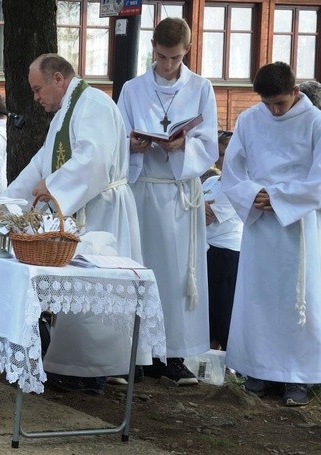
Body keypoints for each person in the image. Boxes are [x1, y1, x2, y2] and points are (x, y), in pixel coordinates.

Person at [4, 53, 143, 394]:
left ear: (58, 80)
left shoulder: (92, 104)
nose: (36, 98)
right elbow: (42, 163)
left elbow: (93, 159)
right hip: (86, 208)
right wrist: (5, 203)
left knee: (97, 292)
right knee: (81, 296)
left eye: (38, 89)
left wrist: (54, 187)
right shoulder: (67, 111)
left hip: (103, 210)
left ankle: (96, 370)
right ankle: (79, 368)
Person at [117, 17, 219, 385]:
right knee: (142, 270)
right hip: (143, 186)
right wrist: (132, 144)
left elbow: (209, 144)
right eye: (161, 57)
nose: (167, 65)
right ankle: (141, 353)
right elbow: (119, 134)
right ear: (152, 49)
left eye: (175, 58)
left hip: (178, 196)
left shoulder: (202, 88)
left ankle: (174, 354)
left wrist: (183, 145)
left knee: (177, 275)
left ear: (186, 51)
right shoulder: (132, 88)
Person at [222, 61, 321, 406]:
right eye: (267, 103)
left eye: (280, 102)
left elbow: (319, 177)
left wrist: (279, 198)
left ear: (295, 92)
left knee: (299, 297)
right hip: (260, 222)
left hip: (299, 223)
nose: (274, 110)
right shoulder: (250, 119)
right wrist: (252, 195)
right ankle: (258, 370)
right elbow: (232, 170)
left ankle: (298, 378)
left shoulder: (315, 122)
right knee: (259, 295)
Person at [202, 130, 242, 351]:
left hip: (226, 251)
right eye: (218, 153)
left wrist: (199, 206)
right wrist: (199, 207)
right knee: (210, 307)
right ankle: (210, 353)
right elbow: (192, 210)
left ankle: (230, 357)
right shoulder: (213, 180)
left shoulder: (238, 185)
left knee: (224, 307)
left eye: (224, 153)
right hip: (207, 249)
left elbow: (208, 218)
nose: (219, 159)